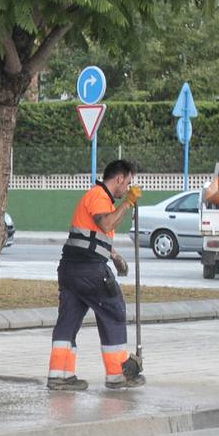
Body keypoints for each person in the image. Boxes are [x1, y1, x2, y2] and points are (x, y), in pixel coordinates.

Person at [47, 159, 145, 391]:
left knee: (68, 320)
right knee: (113, 311)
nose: (128, 188)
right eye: (128, 183)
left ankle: (60, 376)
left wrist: (114, 254)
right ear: (120, 179)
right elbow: (106, 223)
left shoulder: (96, 197)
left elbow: (91, 237)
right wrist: (128, 203)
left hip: (71, 270)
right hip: (90, 270)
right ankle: (117, 375)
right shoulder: (99, 196)